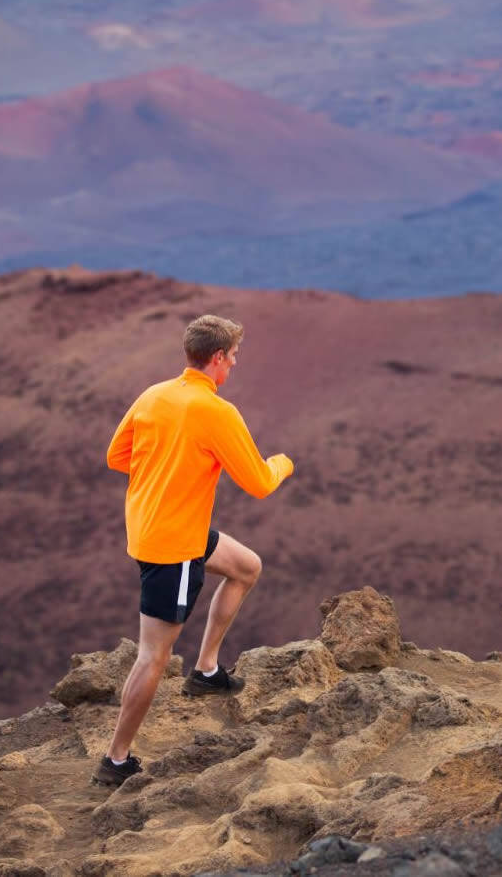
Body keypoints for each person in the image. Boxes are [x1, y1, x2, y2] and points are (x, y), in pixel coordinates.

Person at [92, 314, 293, 787]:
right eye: (234, 357)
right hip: (174, 548)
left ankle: (206, 669)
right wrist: (284, 463)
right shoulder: (217, 412)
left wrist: (168, 467)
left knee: (246, 567)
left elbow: (116, 457)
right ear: (218, 358)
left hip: (158, 528)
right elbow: (260, 483)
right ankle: (116, 760)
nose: (235, 365)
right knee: (153, 656)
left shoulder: (154, 394)